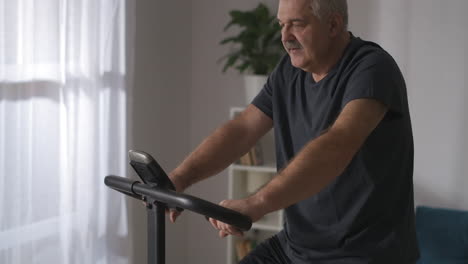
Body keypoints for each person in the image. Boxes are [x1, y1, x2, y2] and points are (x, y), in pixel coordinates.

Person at [167, 0, 419, 263]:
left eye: (297, 24)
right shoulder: (288, 71)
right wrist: (179, 178)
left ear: (333, 25)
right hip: (296, 248)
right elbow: (242, 130)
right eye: (281, 25)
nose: (285, 37)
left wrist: (256, 204)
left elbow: (338, 144)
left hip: (365, 255)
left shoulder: (372, 68)